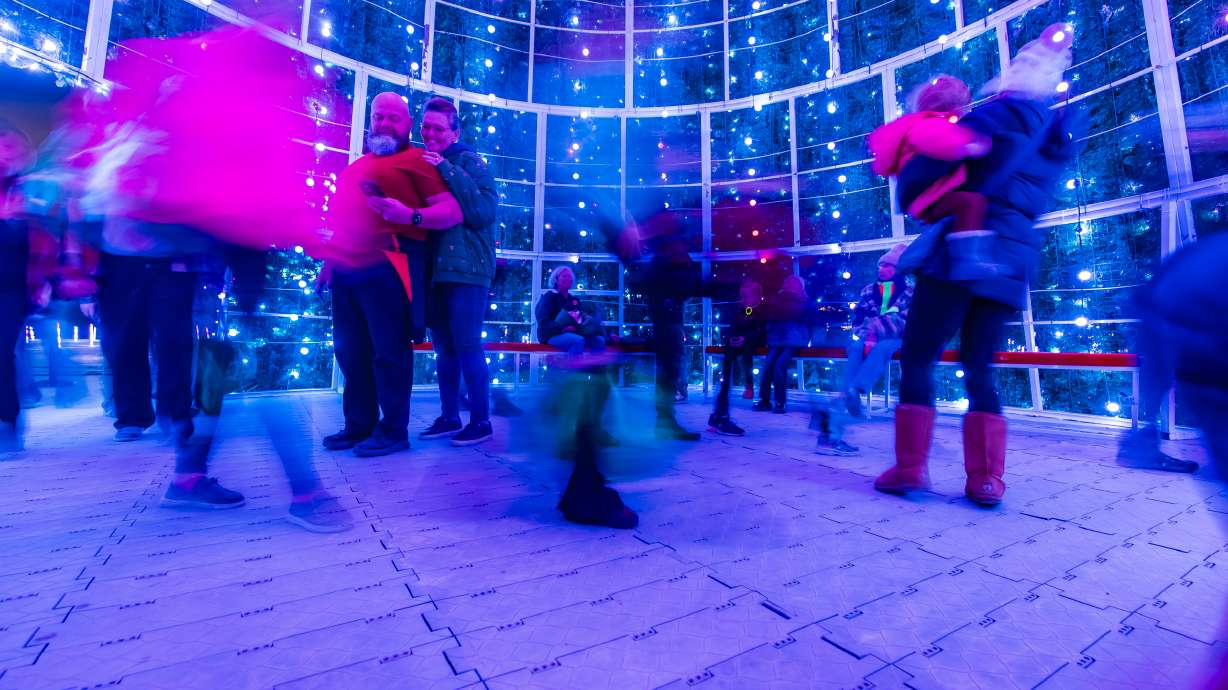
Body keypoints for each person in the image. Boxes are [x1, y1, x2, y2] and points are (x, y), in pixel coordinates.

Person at [874, 24, 1085, 506]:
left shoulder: (995, 115)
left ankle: (911, 467)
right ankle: (986, 479)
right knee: (979, 367)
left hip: (960, 254)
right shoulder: (1053, 139)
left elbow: (940, 164)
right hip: (1012, 258)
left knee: (919, 356)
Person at [321, 92, 463, 457]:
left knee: (388, 350)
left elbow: (451, 213)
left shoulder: (419, 161)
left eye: (393, 119)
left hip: (390, 261)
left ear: (408, 125)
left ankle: (394, 429)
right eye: (379, 117)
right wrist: (328, 261)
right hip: (347, 266)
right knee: (350, 351)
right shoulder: (354, 167)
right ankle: (359, 425)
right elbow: (341, 222)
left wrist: (410, 216)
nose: (384, 124)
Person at [414, 97, 499, 446]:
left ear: (455, 131)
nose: (430, 133)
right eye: (426, 126)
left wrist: (446, 169)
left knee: (467, 347)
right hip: (438, 271)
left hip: (468, 271)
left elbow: (483, 211)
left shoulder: (469, 162)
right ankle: (450, 416)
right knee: (444, 350)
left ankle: (481, 421)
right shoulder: (427, 164)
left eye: (438, 128)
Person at [868, 76, 994, 280]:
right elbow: (937, 141)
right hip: (929, 195)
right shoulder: (928, 123)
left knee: (965, 209)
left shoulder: (921, 124)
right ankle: (968, 259)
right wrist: (969, 144)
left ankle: (966, 257)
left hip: (925, 197)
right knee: (971, 203)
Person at [837, 244, 912, 419]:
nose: (881, 269)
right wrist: (866, 331)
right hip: (871, 336)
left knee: (883, 347)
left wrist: (877, 325)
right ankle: (848, 392)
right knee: (856, 346)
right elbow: (859, 316)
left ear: (897, 269)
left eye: (887, 266)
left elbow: (908, 319)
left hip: (898, 337)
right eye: (880, 265)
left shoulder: (910, 292)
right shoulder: (868, 290)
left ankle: (856, 388)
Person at [0, 121, 32, 450]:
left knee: (1, 351)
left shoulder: (24, 190)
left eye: (10, 148)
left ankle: (7, 422)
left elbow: (32, 241)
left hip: (11, 286)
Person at [707, 279, 763, 436]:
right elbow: (732, 327)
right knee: (729, 353)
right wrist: (732, 337)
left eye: (746, 296)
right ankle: (719, 416)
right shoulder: (740, 310)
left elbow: (760, 331)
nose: (743, 299)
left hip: (751, 344)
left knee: (745, 351)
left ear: (757, 297)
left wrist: (746, 339)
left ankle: (748, 385)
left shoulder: (760, 311)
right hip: (738, 343)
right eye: (742, 295)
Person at [753, 275, 812, 414]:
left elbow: (805, 321)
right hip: (778, 339)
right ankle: (765, 400)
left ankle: (779, 402)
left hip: (793, 340)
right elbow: (771, 319)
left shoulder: (803, 301)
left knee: (779, 364)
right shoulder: (778, 300)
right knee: (768, 363)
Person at [535, 266, 606, 354]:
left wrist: (589, 324)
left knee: (598, 340)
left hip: (573, 333)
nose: (568, 279)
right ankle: (573, 367)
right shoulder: (549, 297)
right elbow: (542, 321)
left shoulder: (573, 300)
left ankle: (594, 367)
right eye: (565, 276)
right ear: (556, 280)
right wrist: (562, 328)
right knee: (576, 340)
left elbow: (579, 320)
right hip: (551, 335)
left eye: (570, 277)